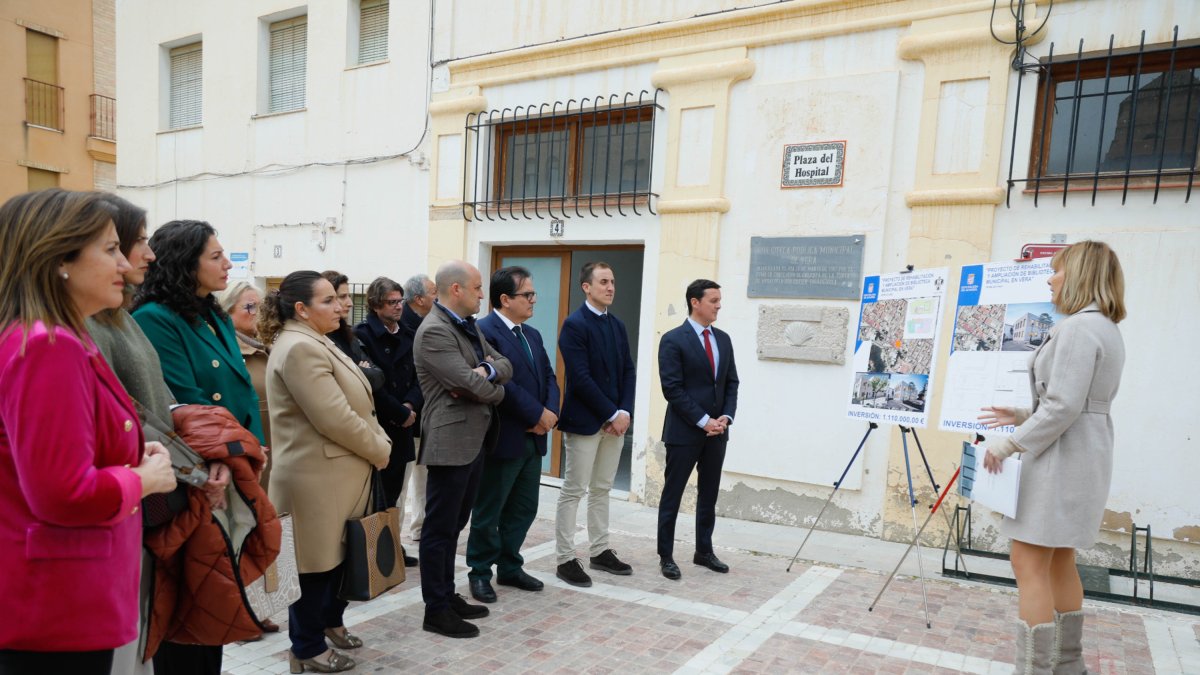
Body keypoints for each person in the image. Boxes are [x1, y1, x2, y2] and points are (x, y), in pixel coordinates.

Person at [0, 189, 175, 674]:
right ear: (60, 259)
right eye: (110, 248)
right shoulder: (47, 346)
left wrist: (136, 454)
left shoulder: (60, 337)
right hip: (57, 607)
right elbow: (62, 493)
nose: (126, 262)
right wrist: (146, 478)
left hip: (64, 600)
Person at [978, 241, 1126, 674]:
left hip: (1062, 456)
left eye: (1057, 271)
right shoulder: (1105, 328)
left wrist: (1009, 443)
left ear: (1079, 275)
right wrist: (1024, 414)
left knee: (1028, 561)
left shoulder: (1078, 329)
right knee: (1060, 558)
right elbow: (1080, 402)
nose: (1050, 278)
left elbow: (1063, 406)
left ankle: (1038, 670)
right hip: (1086, 450)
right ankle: (1067, 665)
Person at [132, 220, 265, 674]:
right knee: (193, 599)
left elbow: (242, 395)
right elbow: (181, 403)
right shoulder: (154, 318)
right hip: (198, 475)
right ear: (185, 264)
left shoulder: (211, 313)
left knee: (218, 595)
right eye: (215, 256)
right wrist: (222, 458)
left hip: (232, 467)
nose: (227, 263)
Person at [260, 271, 392, 674]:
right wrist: (380, 448)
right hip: (317, 478)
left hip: (340, 474)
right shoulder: (299, 347)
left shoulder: (315, 340)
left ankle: (329, 625)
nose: (340, 307)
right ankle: (306, 648)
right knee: (315, 566)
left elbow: (358, 405)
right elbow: (333, 417)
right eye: (329, 301)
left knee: (339, 560)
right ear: (301, 309)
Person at [413, 260, 512, 638]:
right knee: (439, 530)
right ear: (455, 289)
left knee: (455, 526)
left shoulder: (467, 327)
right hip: (450, 442)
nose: (481, 294)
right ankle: (435, 610)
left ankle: (446, 594)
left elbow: (504, 364)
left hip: (473, 439)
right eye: (476, 287)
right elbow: (465, 384)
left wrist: (484, 372)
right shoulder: (435, 331)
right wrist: (490, 385)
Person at [466, 267, 560, 603]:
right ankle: (479, 571)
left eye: (533, 294)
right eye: (528, 295)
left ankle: (509, 565)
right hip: (505, 435)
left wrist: (550, 413)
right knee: (490, 509)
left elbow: (548, 376)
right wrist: (536, 414)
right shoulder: (483, 332)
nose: (534, 300)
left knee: (524, 507)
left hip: (534, 437)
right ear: (505, 299)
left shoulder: (531, 334)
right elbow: (501, 382)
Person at [554, 262, 636, 587]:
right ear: (586, 287)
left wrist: (625, 411)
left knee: (602, 488)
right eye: (603, 281)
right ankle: (564, 558)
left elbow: (628, 370)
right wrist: (610, 413)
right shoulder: (574, 325)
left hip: (615, 421)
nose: (611, 287)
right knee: (574, 489)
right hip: (586, 421)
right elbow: (582, 378)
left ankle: (600, 551)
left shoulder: (616, 325)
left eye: (613, 281)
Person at [656, 279, 739, 580]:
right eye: (713, 300)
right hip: (684, 432)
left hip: (718, 432)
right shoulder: (673, 340)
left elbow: (731, 382)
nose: (719, 305)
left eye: (719, 300)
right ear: (695, 302)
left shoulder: (724, 339)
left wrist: (726, 417)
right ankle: (665, 555)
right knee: (673, 495)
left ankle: (704, 550)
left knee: (709, 494)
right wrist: (704, 420)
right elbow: (673, 389)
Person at [217, 281, 273, 487]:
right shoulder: (228, 354)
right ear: (227, 311)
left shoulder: (267, 347)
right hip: (250, 456)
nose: (257, 313)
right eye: (250, 307)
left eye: (260, 307)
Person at [400, 274, 437, 544]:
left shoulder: (433, 323)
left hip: (429, 415)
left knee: (424, 477)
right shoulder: (403, 327)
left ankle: (420, 528)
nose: (438, 297)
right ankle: (394, 537)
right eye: (434, 292)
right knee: (402, 480)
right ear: (419, 299)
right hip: (407, 415)